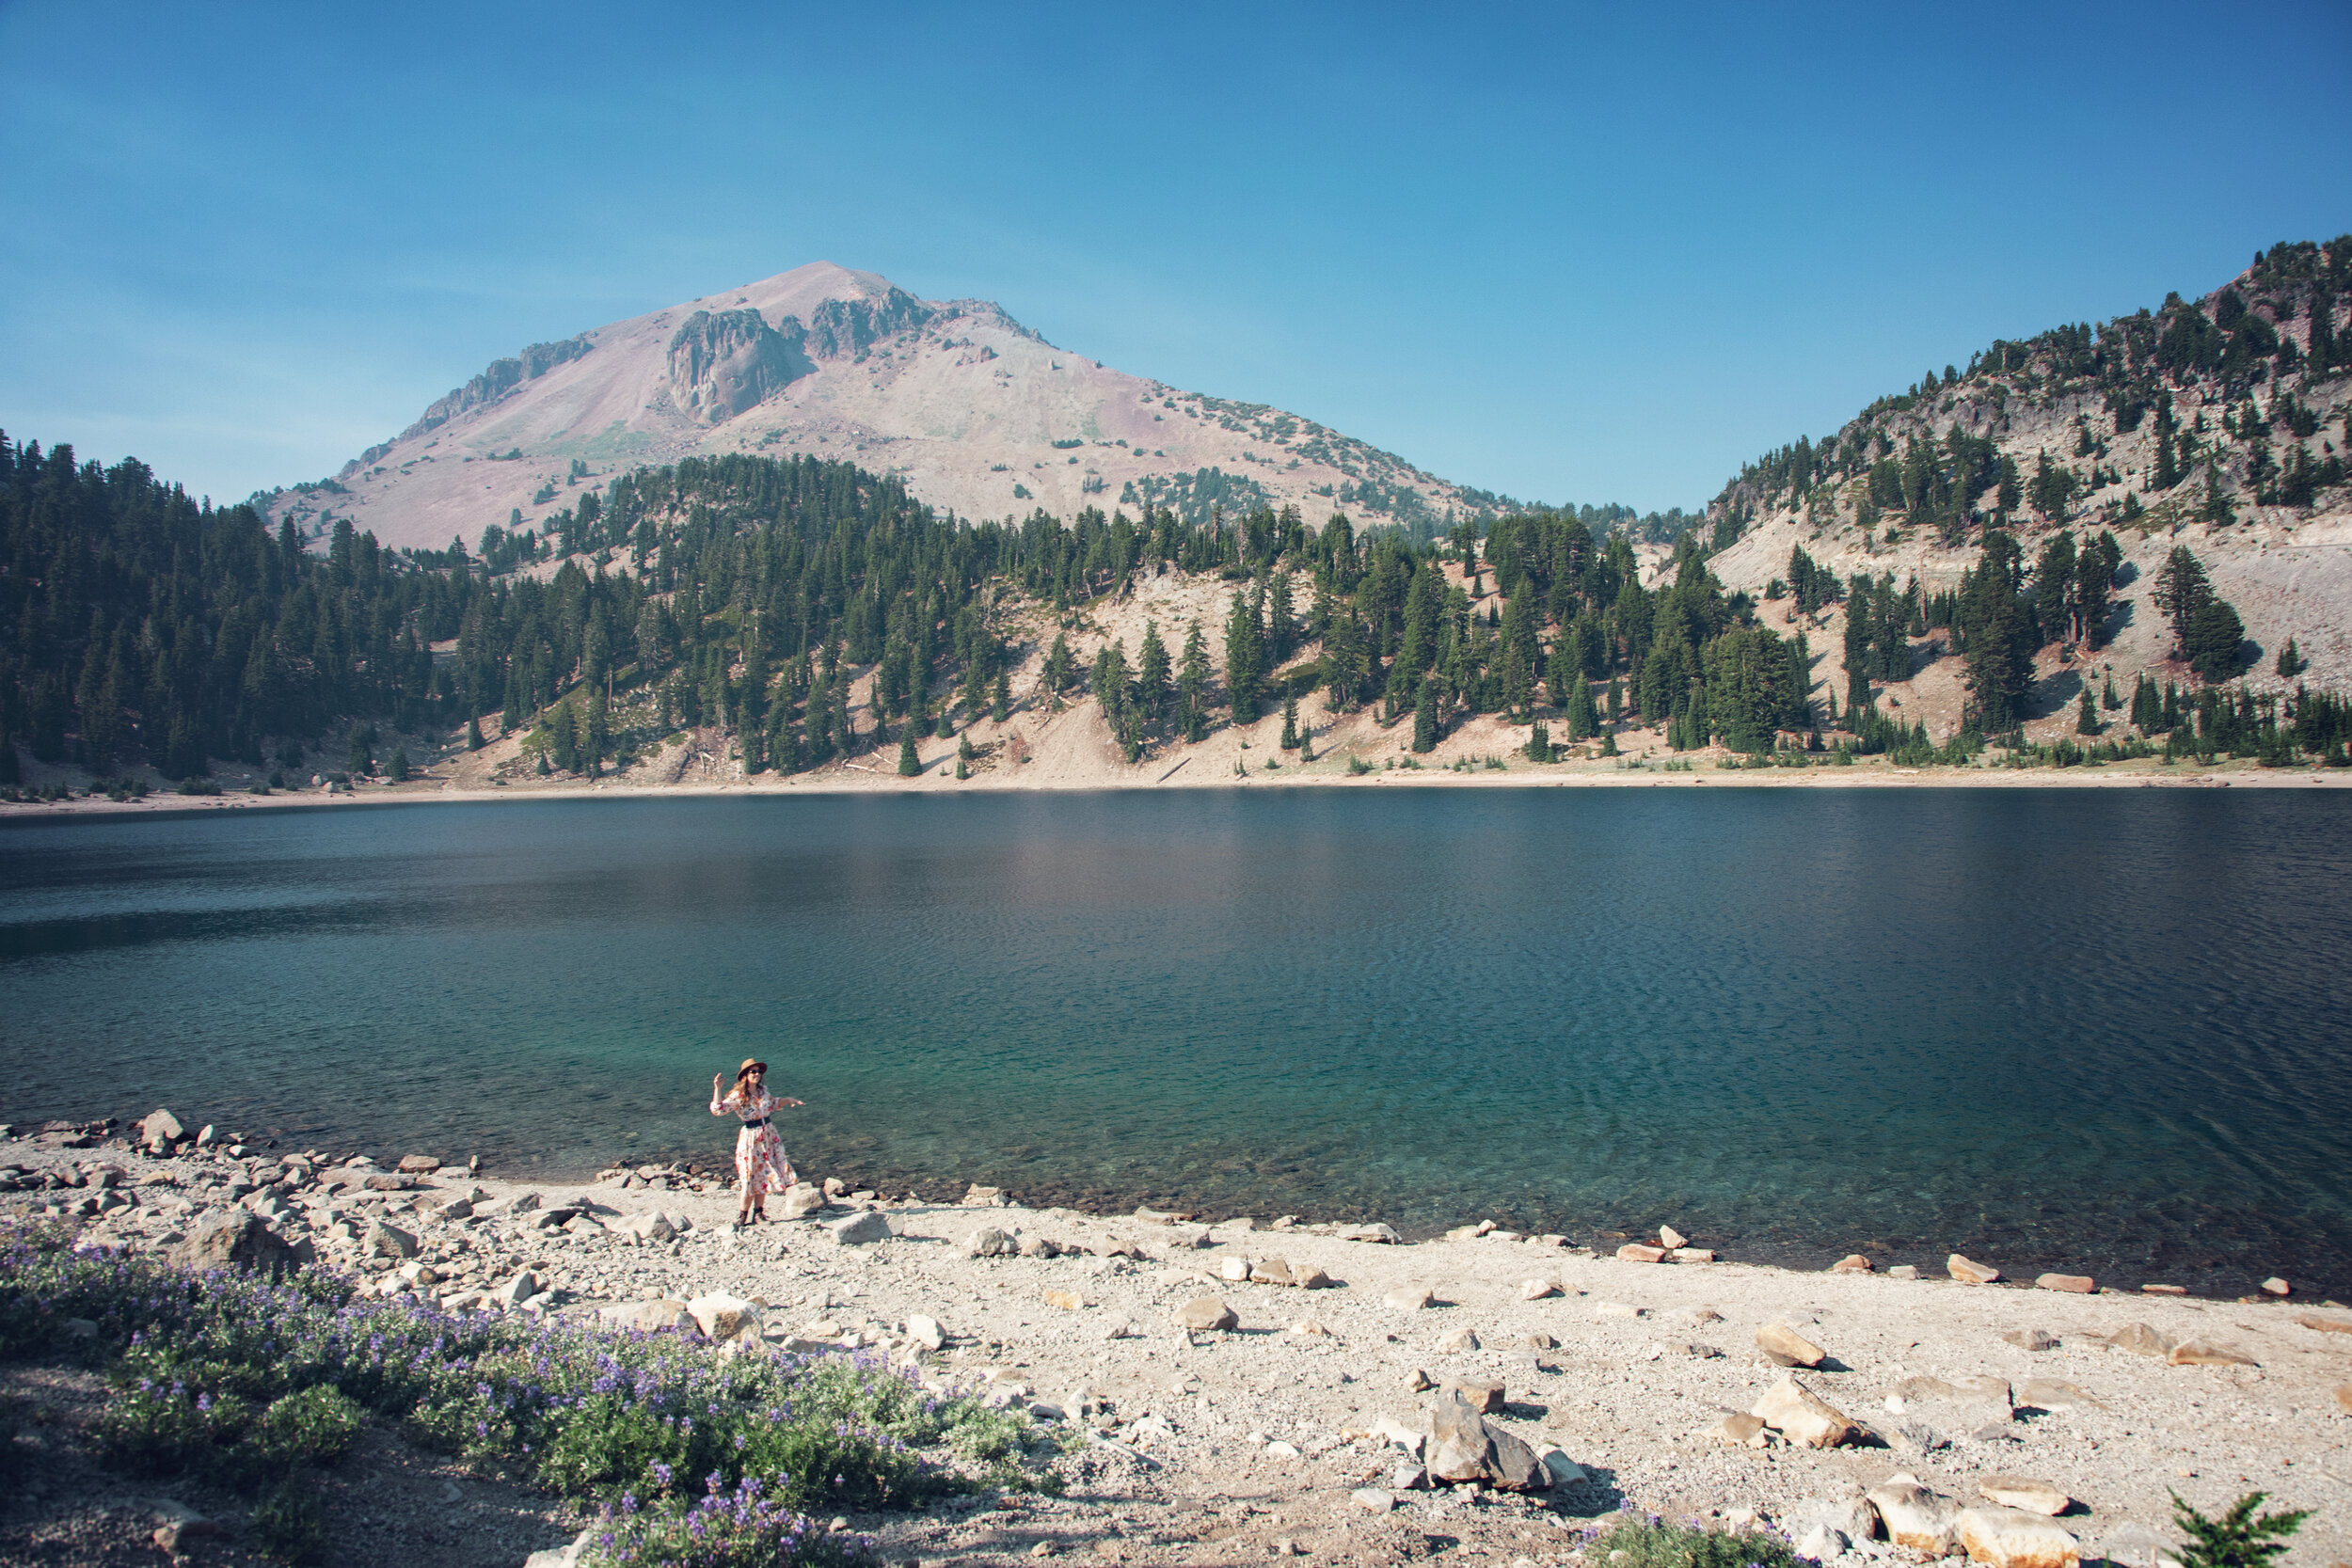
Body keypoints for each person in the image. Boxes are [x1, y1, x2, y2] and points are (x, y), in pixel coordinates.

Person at [709, 1057, 803, 1227]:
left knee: (765, 1173)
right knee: (749, 1176)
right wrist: (717, 1089)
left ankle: (759, 1213)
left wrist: (789, 1099)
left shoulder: (762, 1091)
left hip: (768, 1135)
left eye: (759, 1071)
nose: (757, 1074)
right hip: (750, 1138)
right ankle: (742, 1215)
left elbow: (773, 1104)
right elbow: (718, 1110)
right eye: (753, 1071)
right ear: (745, 1075)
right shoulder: (738, 1095)